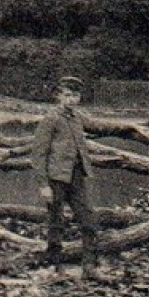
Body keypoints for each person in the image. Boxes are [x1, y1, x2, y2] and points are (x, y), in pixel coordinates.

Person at [30, 75, 103, 279]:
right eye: (68, 95)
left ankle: (89, 267)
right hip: (56, 178)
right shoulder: (51, 119)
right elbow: (39, 154)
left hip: (76, 177)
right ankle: (56, 267)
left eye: (75, 95)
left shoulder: (77, 118)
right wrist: (43, 185)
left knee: (88, 219)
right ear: (60, 96)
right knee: (56, 221)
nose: (71, 99)